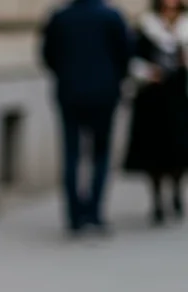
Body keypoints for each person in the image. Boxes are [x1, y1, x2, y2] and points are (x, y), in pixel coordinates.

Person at [42, 0, 133, 237]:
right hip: (104, 93)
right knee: (100, 154)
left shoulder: (61, 17)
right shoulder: (111, 16)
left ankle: (74, 216)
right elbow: (125, 54)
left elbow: (48, 55)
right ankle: (94, 213)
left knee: (71, 154)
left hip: (70, 91)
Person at [123, 0, 188, 226]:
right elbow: (130, 59)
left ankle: (177, 192)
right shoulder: (146, 28)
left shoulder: (185, 29)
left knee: (179, 149)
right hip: (153, 100)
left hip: (180, 98)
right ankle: (157, 201)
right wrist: (148, 72)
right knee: (154, 151)